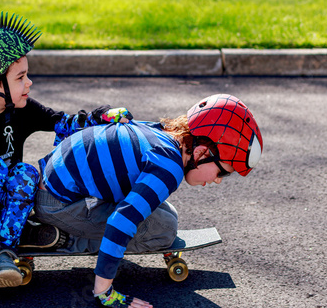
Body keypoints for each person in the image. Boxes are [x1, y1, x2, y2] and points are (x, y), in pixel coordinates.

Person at [0, 11, 133, 288]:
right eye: (20, 77)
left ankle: (6, 253)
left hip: (6, 202)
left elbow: (62, 122)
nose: (29, 83)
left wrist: (100, 116)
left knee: (25, 172)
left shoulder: (22, 111)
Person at [34, 93, 263, 307]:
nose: (218, 180)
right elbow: (120, 222)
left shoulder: (161, 133)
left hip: (55, 182)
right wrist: (105, 293)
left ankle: (75, 233)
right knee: (163, 230)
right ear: (202, 153)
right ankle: (66, 239)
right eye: (222, 171)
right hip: (56, 205)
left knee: (166, 214)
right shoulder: (169, 168)